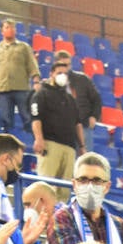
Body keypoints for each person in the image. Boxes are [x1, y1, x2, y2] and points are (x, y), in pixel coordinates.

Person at [30, 53, 82, 181]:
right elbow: (36, 118)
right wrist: (39, 139)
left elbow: (78, 123)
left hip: (69, 148)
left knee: (64, 191)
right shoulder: (42, 94)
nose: (62, 76)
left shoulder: (70, 99)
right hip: (50, 145)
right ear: (52, 74)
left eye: (65, 73)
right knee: (46, 186)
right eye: (59, 73)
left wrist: (82, 146)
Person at [0, 19, 38, 134]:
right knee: (5, 120)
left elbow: (32, 65)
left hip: (22, 90)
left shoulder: (24, 47)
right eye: (7, 27)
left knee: (27, 118)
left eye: (13, 27)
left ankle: (33, 142)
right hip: (3, 91)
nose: (10, 30)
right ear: (2, 31)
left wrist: (36, 81)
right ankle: (8, 145)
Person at [56, 48, 101, 134]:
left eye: (68, 65)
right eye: (64, 65)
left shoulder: (83, 79)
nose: (67, 68)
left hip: (83, 125)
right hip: (60, 128)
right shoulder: (50, 83)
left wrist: (94, 116)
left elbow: (96, 99)